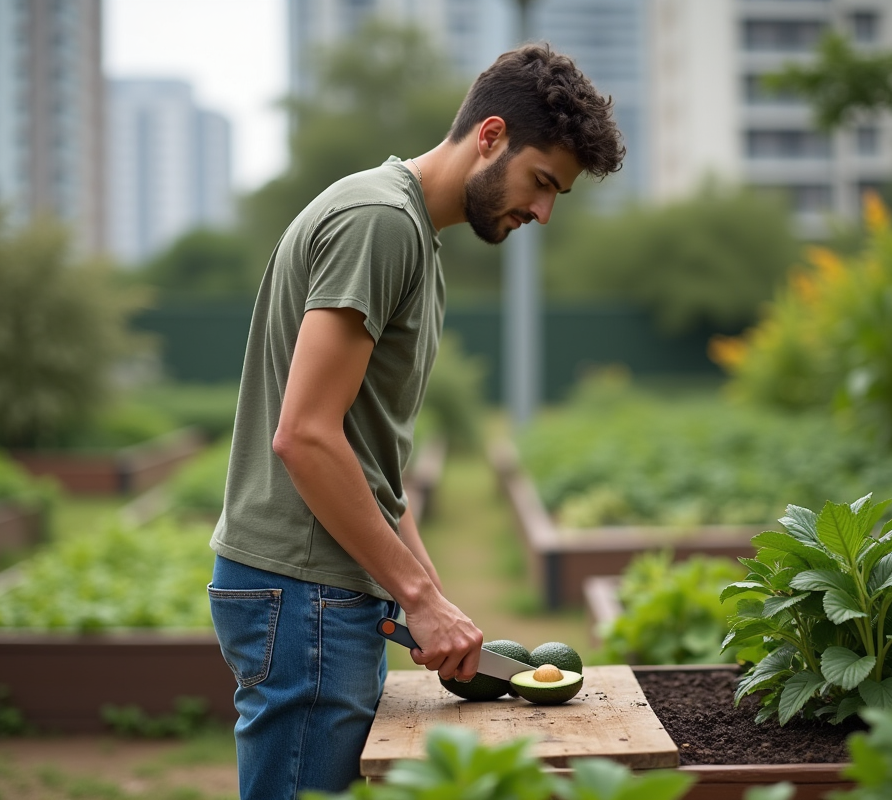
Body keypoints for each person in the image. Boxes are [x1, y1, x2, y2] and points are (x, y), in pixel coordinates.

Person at [207, 42, 625, 800]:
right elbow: (304, 435)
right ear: (490, 135)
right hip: (303, 588)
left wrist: (424, 590)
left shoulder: (411, 238)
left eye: (556, 194)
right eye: (541, 182)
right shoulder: (379, 222)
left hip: (322, 585)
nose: (542, 211)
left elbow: (366, 455)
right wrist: (423, 601)